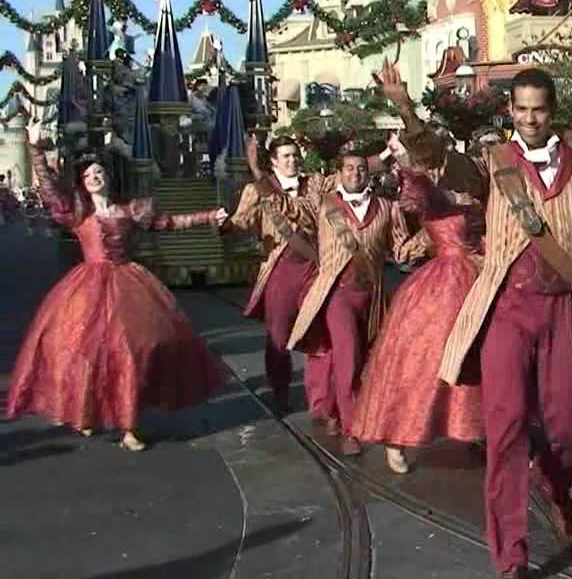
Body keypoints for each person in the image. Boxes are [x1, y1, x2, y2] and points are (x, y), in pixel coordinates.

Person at [435, 68, 572, 579]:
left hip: (565, 309)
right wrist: (413, 117)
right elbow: (442, 164)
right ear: (511, 111)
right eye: (520, 109)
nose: (528, 118)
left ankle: (554, 481)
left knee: (568, 428)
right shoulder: (492, 163)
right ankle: (511, 556)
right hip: (506, 310)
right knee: (505, 432)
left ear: (553, 110)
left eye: (537, 109)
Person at [6, 142, 227, 451]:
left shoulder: (130, 209)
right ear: (82, 183)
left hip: (128, 286)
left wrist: (207, 216)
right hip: (87, 287)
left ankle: (129, 427)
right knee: (80, 350)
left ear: (109, 176)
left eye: (99, 172)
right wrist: (37, 156)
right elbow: (50, 192)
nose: (95, 177)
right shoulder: (78, 211)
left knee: (130, 352)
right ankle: (86, 411)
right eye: (88, 175)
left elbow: (168, 222)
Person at [349, 71, 488, 473]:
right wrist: (405, 109)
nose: (438, 157)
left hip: (481, 276)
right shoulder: (423, 184)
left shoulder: (473, 174)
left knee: (481, 357)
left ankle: (479, 428)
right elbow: (420, 197)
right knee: (423, 358)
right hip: (442, 283)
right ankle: (399, 434)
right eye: (430, 154)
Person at [263, 151, 416, 456]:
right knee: (348, 359)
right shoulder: (323, 204)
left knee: (370, 362)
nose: (355, 174)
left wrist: (435, 236)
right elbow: (288, 209)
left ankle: (335, 408)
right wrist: (259, 176)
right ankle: (351, 429)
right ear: (339, 173)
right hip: (336, 295)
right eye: (348, 169)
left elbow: (401, 251)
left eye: (361, 169)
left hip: (372, 297)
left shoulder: (388, 208)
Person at [228, 136, 317, 415]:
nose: (292, 161)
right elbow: (241, 220)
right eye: (286, 156)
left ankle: (324, 398)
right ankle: (280, 392)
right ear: (274, 161)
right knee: (278, 335)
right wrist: (223, 224)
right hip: (279, 266)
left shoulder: (312, 184)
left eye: (295, 156)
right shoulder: (257, 190)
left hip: (314, 266)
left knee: (321, 330)